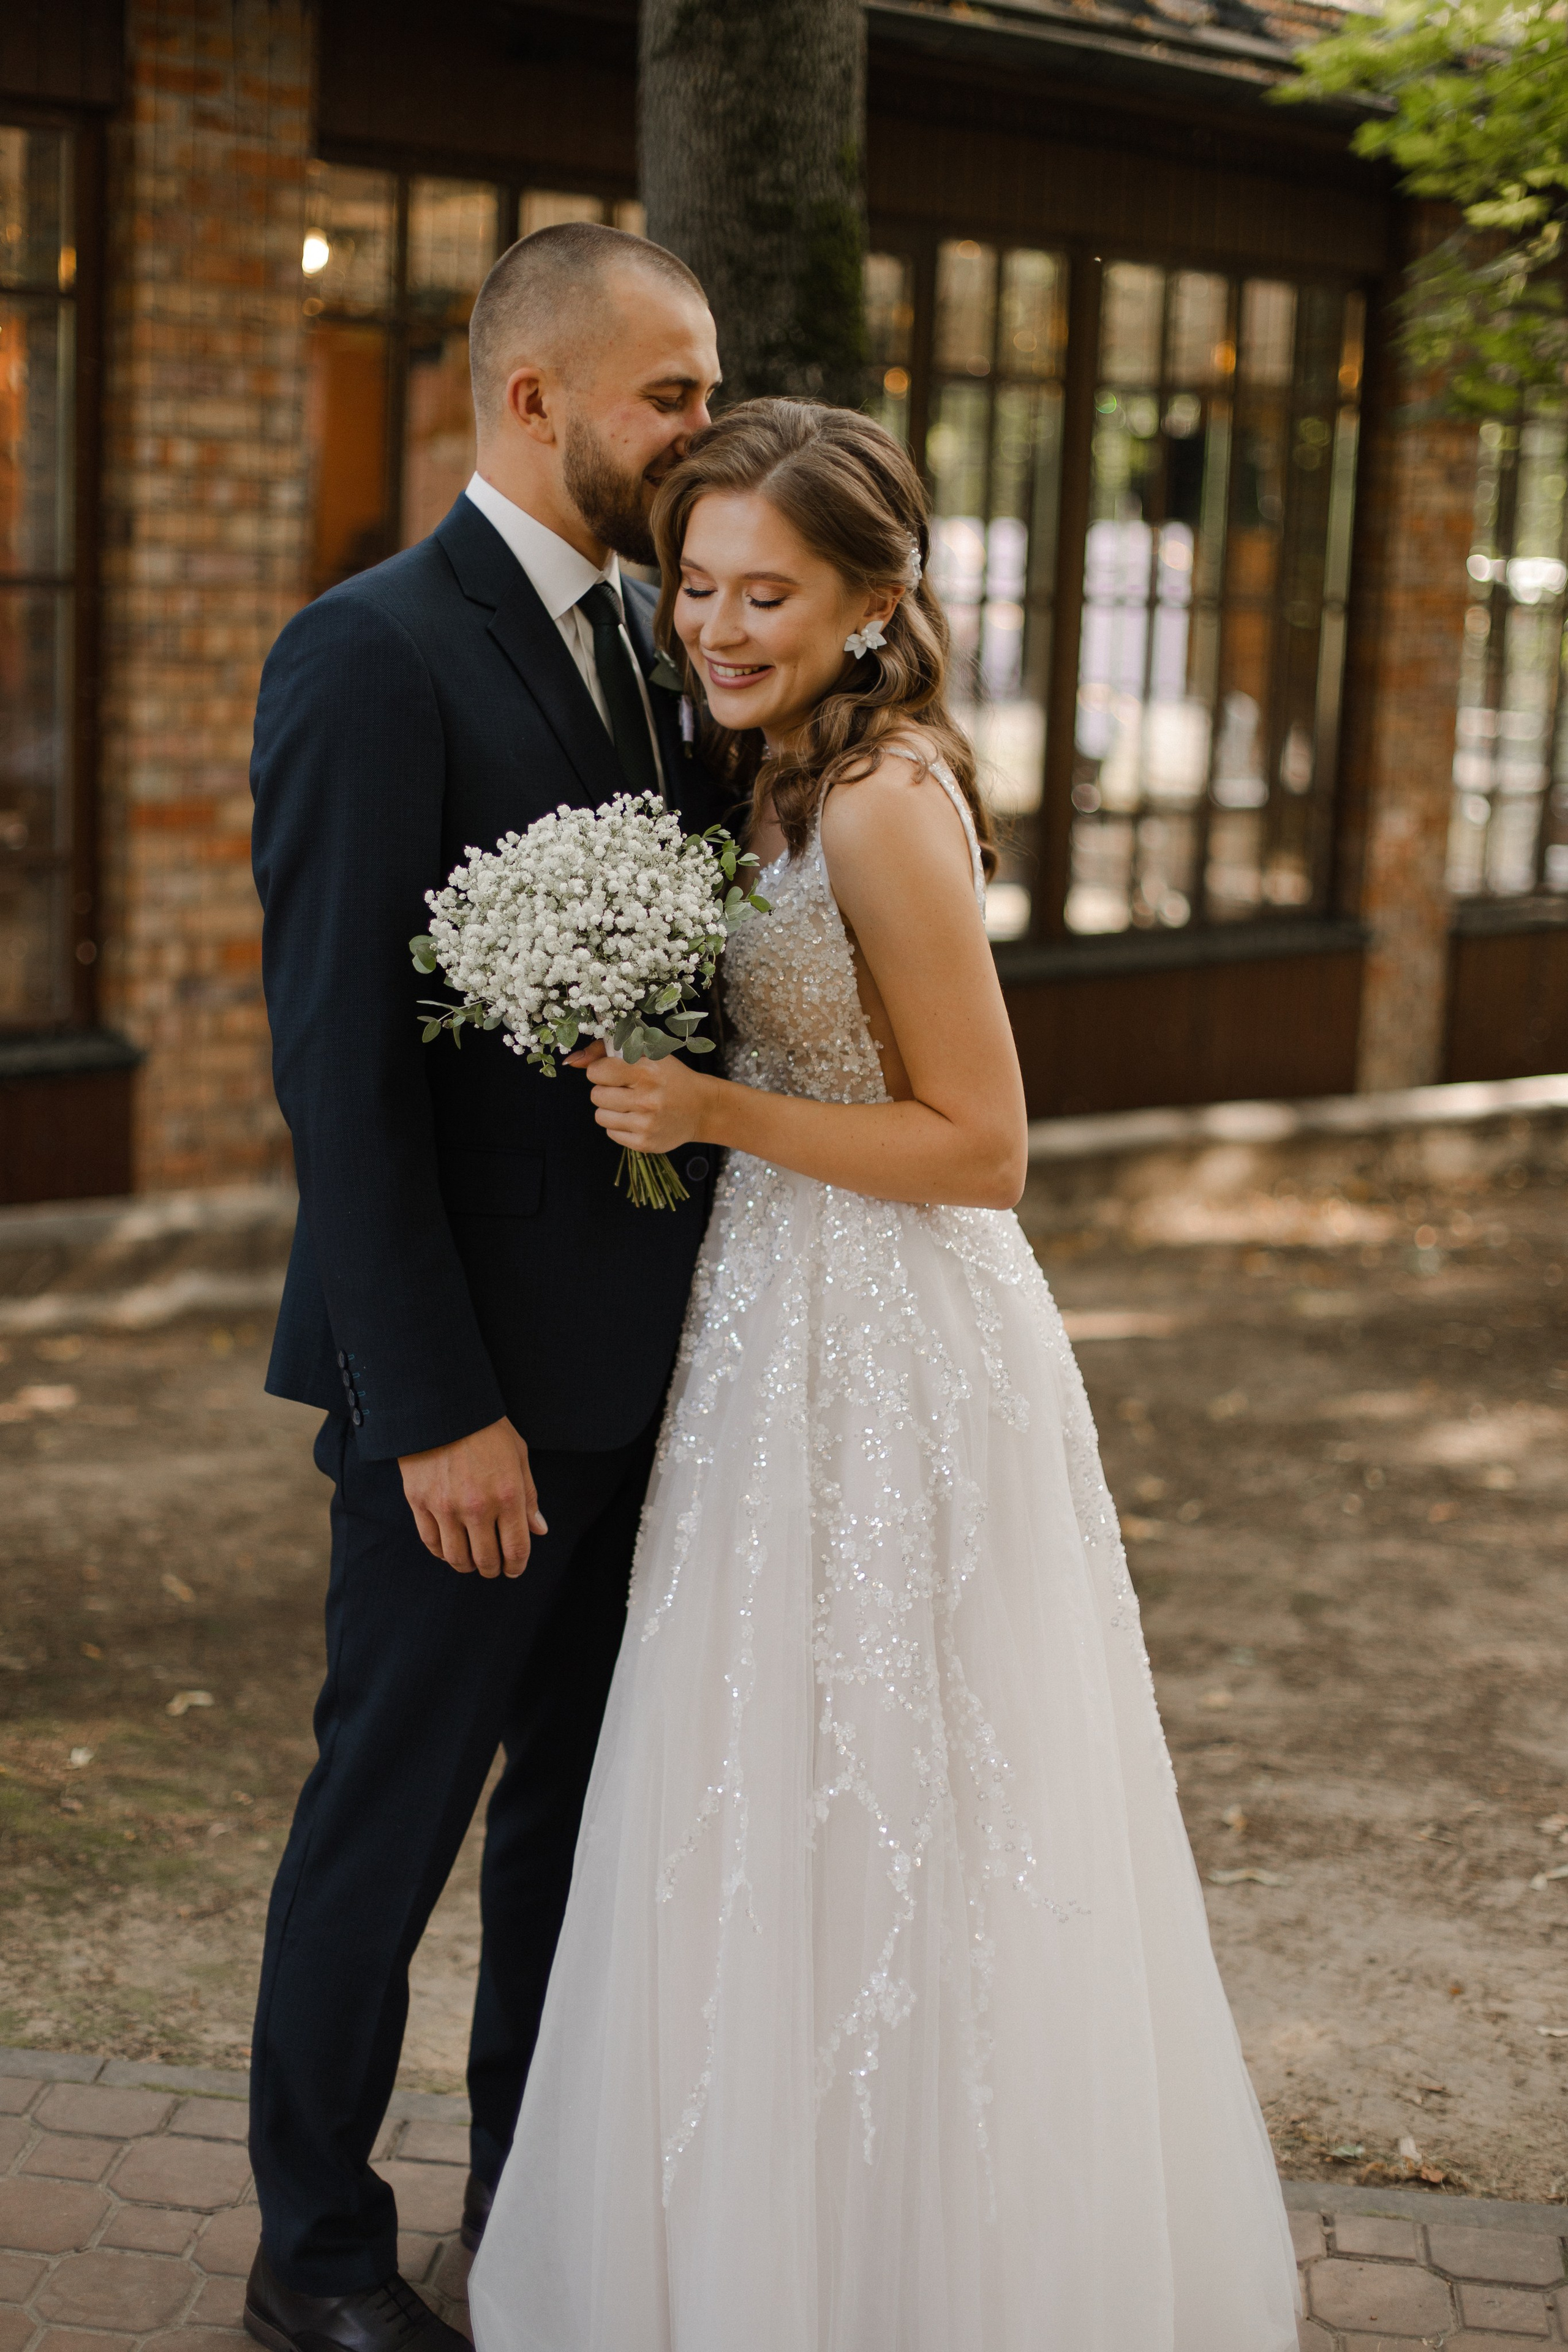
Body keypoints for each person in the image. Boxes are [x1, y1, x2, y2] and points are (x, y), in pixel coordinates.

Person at [466, 399, 1302, 2351]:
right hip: (773, 1325)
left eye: (771, 592)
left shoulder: (879, 803)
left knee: (915, 1787)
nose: (722, 625)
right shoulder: (757, 773)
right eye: (697, 587)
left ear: (872, 604)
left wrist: (714, 1109)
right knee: (757, 1782)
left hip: (899, 1340)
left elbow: (984, 1149)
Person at [244, 222, 725, 2351]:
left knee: (571, 1841)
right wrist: (433, 1404)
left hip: (653, 1387)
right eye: (674, 395)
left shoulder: (664, 648)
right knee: (389, 1827)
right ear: (537, 402)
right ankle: (316, 2260)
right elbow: (340, 1076)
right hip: (468, 1409)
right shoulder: (372, 652)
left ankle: (521, 2220)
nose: (704, 433)